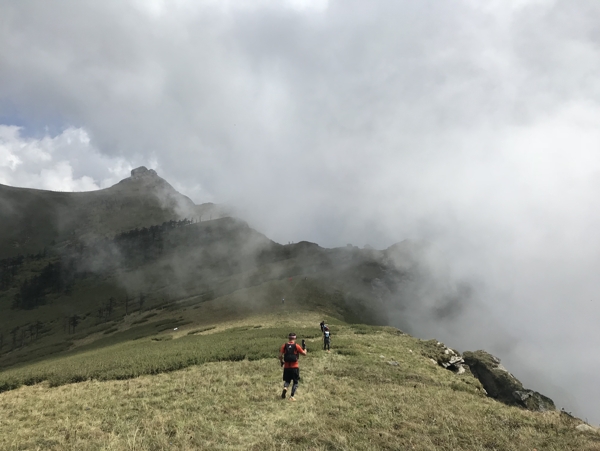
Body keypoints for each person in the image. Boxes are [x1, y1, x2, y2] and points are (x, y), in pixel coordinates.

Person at [279, 332, 307, 401]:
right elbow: (304, 354)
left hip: (286, 367)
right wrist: (305, 348)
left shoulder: (284, 346)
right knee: (295, 382)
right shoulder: (296, 346)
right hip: (295, 367)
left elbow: (280, 356)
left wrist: (282, 362)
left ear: (289, 338)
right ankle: (291, 396)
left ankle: (285, 388)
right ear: (295, 338)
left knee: (287, 380)